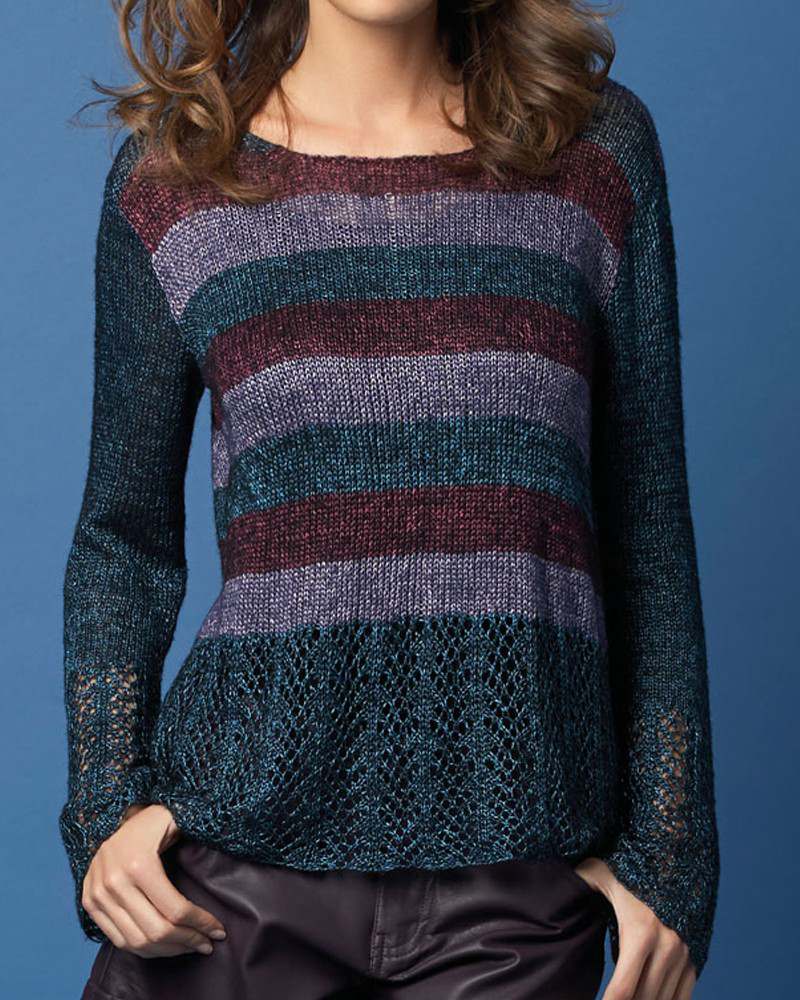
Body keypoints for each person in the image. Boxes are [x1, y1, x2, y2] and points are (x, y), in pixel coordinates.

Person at [61, 2, 720, 998]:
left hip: (514, 888)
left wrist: (668, 860)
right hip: (231, 881)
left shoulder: (591, 153)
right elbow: (123, 538)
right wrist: (105, 807)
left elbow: (647, 534)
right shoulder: (177, 176)